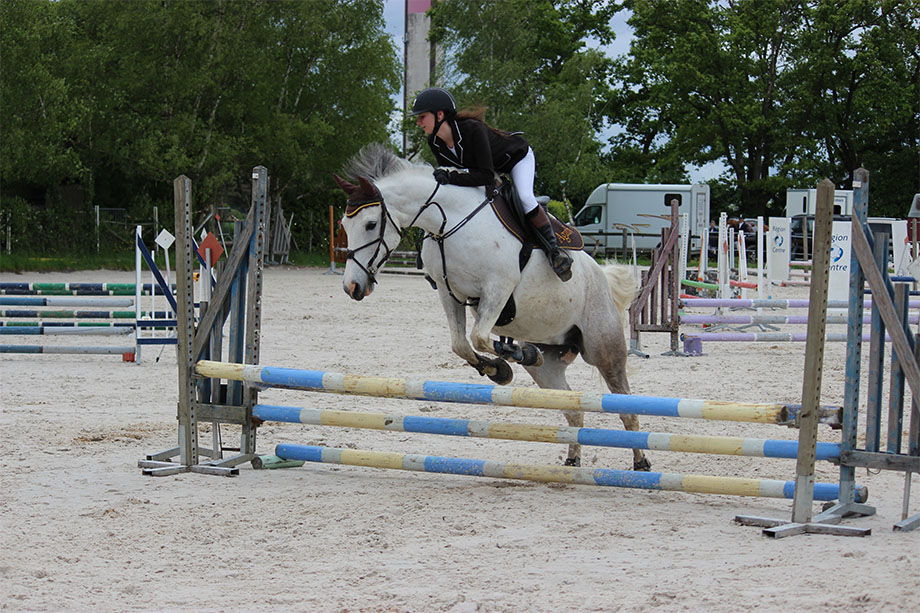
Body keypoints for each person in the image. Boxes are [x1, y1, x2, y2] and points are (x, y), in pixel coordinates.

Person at [411, 87, 572, 281]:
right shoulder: (435, 142)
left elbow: (485, 176)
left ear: (440, 115)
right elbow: (456, 176)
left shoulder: (472, 129)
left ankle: (554, 252)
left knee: (525, 198)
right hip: (486, 169)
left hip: (516, 159)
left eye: (422, 117)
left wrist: (450, 178)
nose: (418, 122)